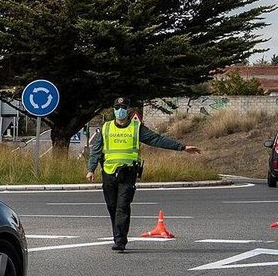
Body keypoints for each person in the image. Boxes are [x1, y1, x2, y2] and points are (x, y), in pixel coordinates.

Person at [85, 98, 202, 252]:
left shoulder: (136, 128)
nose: (120, 109)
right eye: (117, 107)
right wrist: (91, 169)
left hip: (128, 173)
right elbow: (96, 151)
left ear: (128, 110)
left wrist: (182, 147)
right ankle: (118, 236)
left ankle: (120, 241)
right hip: (109, 173)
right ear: (113, 109)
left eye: (123, 107)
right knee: (112, 207)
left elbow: (157, 140)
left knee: (122, 207)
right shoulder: (106, 128)